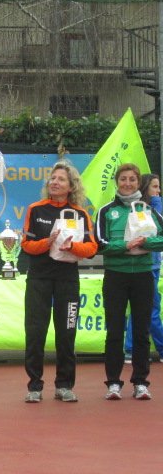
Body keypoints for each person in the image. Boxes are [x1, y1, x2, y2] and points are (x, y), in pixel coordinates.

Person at [21, 160, 98, 403]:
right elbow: (26, 245)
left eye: (61, 179)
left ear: (71, 186)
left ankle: (64, 385)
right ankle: (34, 386)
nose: (55, 182)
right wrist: (48, 242)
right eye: (53, 178)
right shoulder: (36, 209)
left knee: (66, 333)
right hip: (39, 278)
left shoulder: (80, 214)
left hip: (67, 280)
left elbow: (91, 249)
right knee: (35, 332)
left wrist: (71, 247)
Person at [96, 163, 163, 400]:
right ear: (117, 181)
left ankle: (140, 383)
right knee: (115, 330)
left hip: (143, 275)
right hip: (115, 276)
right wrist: (125, 246)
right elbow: (99, 244)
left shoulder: (148, 210)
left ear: (138, 183)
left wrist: (145, 243)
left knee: (142, 331)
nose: (127, 183)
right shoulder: (106, 211)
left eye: (132, 179)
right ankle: (113, 383)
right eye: (123, 179)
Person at [124, 174, 163, 363]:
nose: (158, 191)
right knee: (150, 308)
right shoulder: (143, 208)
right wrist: (156, 201)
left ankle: (131, 349)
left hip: (152, 265)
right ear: (146, 187)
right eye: (155, 187)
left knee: (143, 308)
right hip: (146, 265)